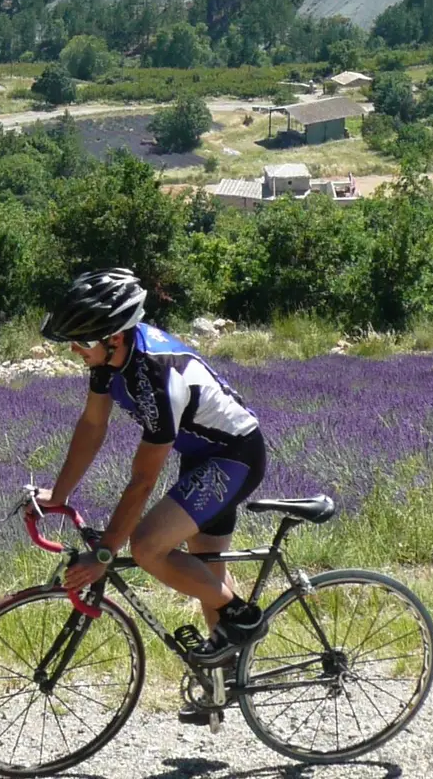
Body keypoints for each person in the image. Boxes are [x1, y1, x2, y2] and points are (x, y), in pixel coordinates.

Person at [34, 268, 268, 722]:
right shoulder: (109, 361)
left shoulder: (157, 377)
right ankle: (222, 687)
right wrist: (58, 494)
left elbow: (142, 482)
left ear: (114, 337)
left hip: (234, 456)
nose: (74, 350)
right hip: (203, 456)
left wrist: (104, 553)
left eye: (82, 341)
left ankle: (244, 617)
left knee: (146, 546)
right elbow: (92, 426)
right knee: (206, 577)